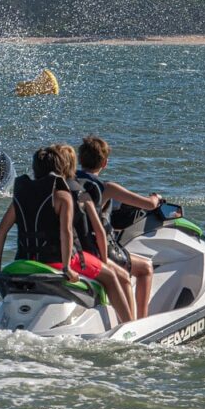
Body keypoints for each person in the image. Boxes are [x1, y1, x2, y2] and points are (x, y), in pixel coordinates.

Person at [0, 144, 135, 323]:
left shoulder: (22, 196)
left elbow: (1, 231)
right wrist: (67, 268)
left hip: (24, 260)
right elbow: (66, 232)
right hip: (58, 261)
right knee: (112, 276)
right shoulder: (62, 196)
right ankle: (130, 325)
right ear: (61, 168)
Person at [75, 136, 158, 320]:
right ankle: (140, 321)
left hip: (76, 248)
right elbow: (148, 205)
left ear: (80, 160)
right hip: (97, 250)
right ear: (105, 162)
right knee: (145, 268)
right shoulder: (106, 188)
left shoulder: (68, 183)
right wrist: (156, 198)